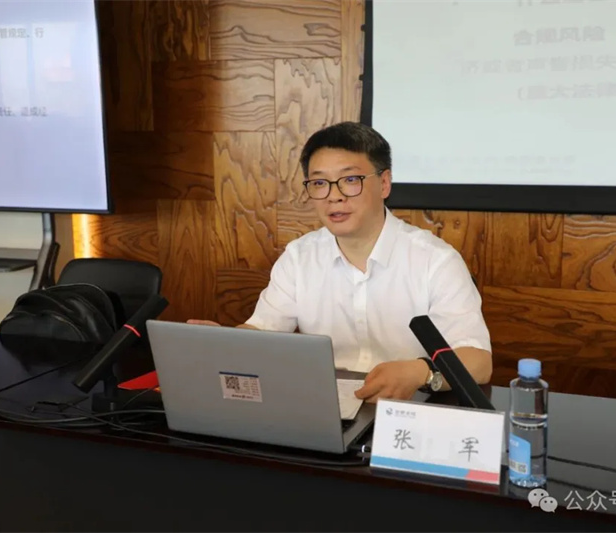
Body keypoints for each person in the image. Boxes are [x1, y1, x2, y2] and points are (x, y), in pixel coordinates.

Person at [189, 121, 492, 403]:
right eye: (320, 183)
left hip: (408, 410)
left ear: (384, 183)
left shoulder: (435, 261)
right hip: (324, 407)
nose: (334, 196)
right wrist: (226, 341)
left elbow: (479, 362)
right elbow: (263, 331)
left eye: (350, 180)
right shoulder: (299, 257)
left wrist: (421, 372)